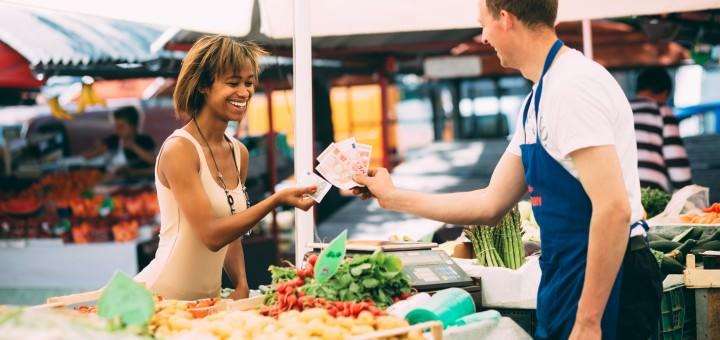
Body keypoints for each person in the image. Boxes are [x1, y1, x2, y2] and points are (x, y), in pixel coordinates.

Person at [353, 1, 660, 339]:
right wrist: (393, 197)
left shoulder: (571, 88)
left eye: (483, 24)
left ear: (505, 19)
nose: (483, 37)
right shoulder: (538, 98)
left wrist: (588, 321)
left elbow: (614, 208)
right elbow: (489, 204)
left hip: (605, 284)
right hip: (567, 273)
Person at [134, 35, 316, 300]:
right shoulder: (180, 150)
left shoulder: (238, 152)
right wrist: (274, 200)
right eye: (233, 83)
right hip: (161, 297)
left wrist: (242, 283)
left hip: (209, 299)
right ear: (204, 85)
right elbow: (211, 235)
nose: (244, 92)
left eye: (249, 83)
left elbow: (232, 232)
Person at [631, 67, 692, 192]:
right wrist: (688, 199)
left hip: (619, 193)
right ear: (664, 93)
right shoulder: (661, 111)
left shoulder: (622, 109)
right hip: (649, 193)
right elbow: (677, 162)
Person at [83, 106, 156, 178]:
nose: (117, 130)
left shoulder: (145, 140)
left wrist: (133, 147)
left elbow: (155, 162)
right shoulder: (113, 140)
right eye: (116, 126)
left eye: (121, 126)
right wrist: (97, 150)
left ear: (133, 126)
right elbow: (87, 157)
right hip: (111, 182)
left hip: (140, 182)